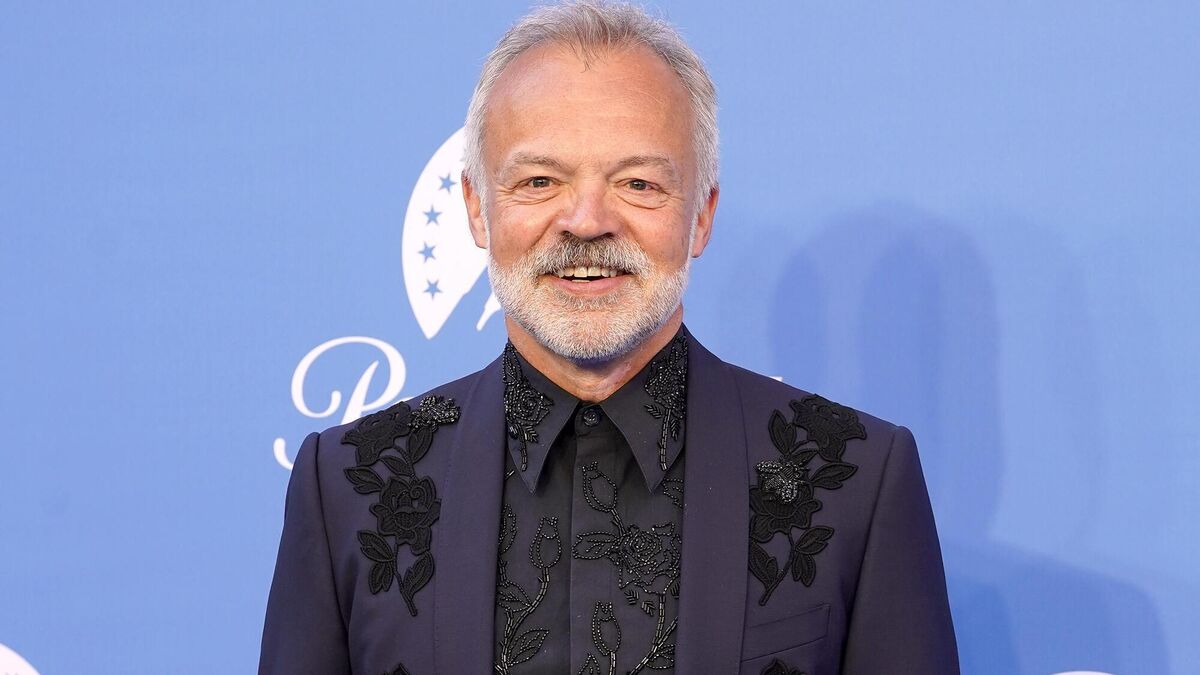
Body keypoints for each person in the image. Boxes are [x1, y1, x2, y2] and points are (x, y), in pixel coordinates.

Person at [259, 1, 959, 673]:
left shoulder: (855, 481)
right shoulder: (349, 488)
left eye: (638, 184)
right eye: (539, 181)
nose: (587, 221)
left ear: (701, 214)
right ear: (476, 209)